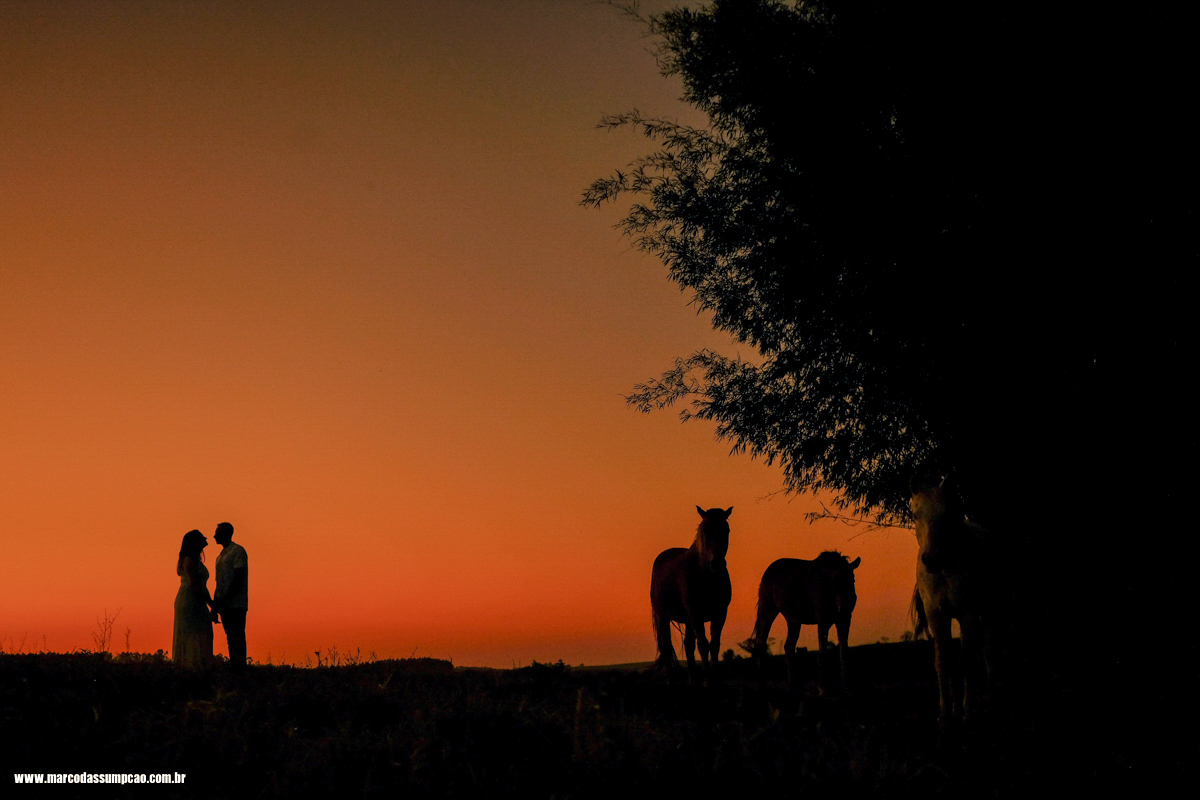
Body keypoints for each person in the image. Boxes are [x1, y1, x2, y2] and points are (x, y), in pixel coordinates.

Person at [172, 529, 214, 670]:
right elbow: (195, 584)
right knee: (195, 633)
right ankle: (193, 667)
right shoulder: (190, 561)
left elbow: (200, 585)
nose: (206, 540)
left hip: (192, 599)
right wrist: (210, 603)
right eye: (202, 538)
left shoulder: (192, 560)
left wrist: (210, 603)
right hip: (190, 600)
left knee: (196, 633)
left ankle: (193, 666)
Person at [212, 521, 248, 673]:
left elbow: (239, 577)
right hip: (224, 603)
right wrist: (215, 606)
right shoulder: (220, 556)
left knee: (237, 637)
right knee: (230, 638)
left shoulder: (238, 551)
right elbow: (218, 582)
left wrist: (226, 598)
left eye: (217, 532)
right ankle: (236, 668)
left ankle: (240, 669)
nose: (214, 535)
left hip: (236, 604)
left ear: (226, 533)